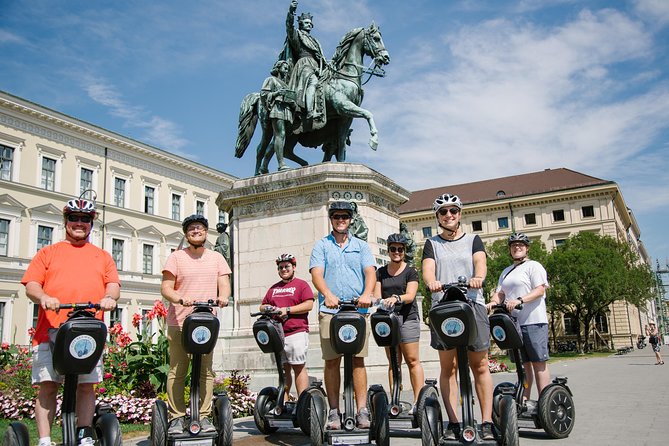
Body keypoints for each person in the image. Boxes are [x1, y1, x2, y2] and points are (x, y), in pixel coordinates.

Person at [21, 198, 120, 446]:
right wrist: (44, 297)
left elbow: (113, 285)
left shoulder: (102, 256)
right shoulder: (48, 253)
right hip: (50, 331)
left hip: (87, 334)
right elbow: (32, 284)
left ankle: (84, 434)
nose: (79, 223)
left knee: (86, 387)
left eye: (85, 219)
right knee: (48, 385)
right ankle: (44, 440)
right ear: (66, 221)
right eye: (74, 218)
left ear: (90, 224)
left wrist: (109, 298)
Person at [421, 193, 495, 441]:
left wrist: (478, 278)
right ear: (438, 217)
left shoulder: (474, 239)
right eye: (443, 212)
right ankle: (453, 421)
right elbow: (428, 271)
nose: (448, 215)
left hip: (472, 303)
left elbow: (480, 264)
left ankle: (485, 421)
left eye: (453, 211)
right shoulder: (431, 243)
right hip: (444, 306)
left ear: (460, 213)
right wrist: (432, 283)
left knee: (480, 365)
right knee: (448, 367)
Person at [161, 214, 232, 434]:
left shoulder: (216, 258)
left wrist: (223, 297)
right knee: (177, 370)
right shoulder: (176, 258)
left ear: (205, 232)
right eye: (191, 228)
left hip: (205, 323)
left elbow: (224, 284)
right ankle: (176, 417)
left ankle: (203, 416)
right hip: (179, 321)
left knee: (205, 371)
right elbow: (166, 287)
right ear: (186, 233)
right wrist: (179, 298)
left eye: (199, 228)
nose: (195, 231)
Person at [309, 201, 376, 430]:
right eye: (337, 216)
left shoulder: (361, 246)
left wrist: (367, 294)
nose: (341, 220)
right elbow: (317, 274)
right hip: (331, 311)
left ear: (350, 219)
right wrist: (327, 293)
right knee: (331, 360)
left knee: (358, 360)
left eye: (345, 216)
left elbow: (370, 272)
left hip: (358, 311)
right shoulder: (321, 246)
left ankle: (362, 410)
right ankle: (334, 411)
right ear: (331, 219)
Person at [487, 233, 551, 404]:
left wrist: (519, 300)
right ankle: (524, 399)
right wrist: (492, 303)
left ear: (527, 248)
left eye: (521, 245)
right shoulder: (506, 271)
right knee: (523, 364)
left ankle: (545, 401)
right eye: (513, 245)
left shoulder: (533, 266)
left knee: (538, 362)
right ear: (510, 249)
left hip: (533, 321)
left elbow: (540, 290)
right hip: (514, 324)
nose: (517, 247)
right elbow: (500, 293)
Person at [373, 233, 425, 410]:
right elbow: (377, 295)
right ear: (388, 251)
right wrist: (377, 301)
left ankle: (419, 401)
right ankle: (395, 400)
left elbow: (410, 296)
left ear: (404, 251)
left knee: (411, 359)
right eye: (393, 249)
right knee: (394, 361)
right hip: (389, 320)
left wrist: (396, 298)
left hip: (407, 318)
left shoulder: (411, 271)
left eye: (400, 249)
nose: (397, 252)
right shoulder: (380, 272)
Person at [260, 254, 315, 400]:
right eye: (281, 267)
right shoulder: (274, 288)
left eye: (287, 266)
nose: (284, 269)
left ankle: (303, 403)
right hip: (278, 334)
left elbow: (309, 304)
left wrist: (287, 310)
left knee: (298, 366)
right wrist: (267, 308)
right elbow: (262, 305)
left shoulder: (301, 285)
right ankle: (283, 403)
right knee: (284, 371)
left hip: (296, 331)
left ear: (294, 267)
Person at [285, 0, 326, 120]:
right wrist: (291, 12)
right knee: (312, 82)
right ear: (301, 24)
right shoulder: (297, 35)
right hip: (304, 65)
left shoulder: (315, 40)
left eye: (310, 23)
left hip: (316, 66)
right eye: (307, 23)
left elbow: (320, 57)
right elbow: (289, 27)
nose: (309, 25)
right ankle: (309, 112)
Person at [259, 59, 295, 172]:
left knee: (277, 139)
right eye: (284, 67)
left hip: (286, 110)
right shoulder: (271, 80)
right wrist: (277, 93)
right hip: (277, 109)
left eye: (287, 68)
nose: (286, 69)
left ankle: (263, 166)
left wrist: (292, 101)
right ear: (278, 68)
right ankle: (281, 164)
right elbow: (263, 94)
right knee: (280, 135)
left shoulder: (286, 85)